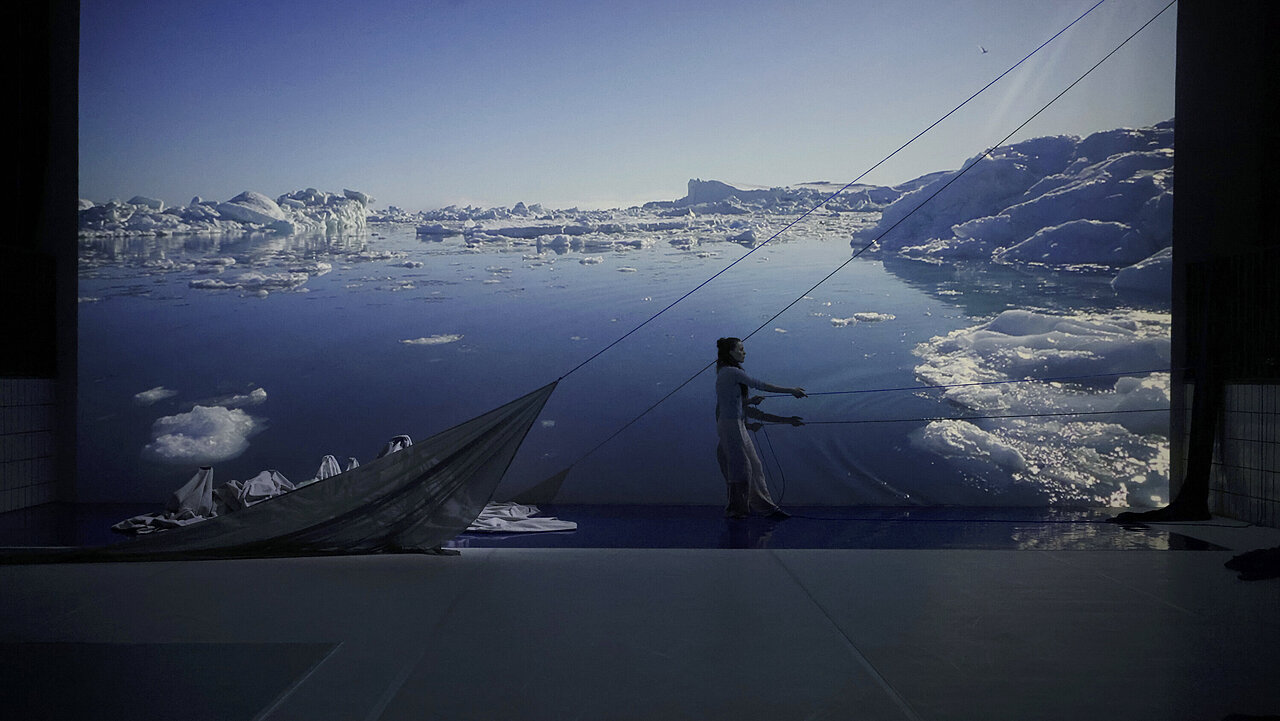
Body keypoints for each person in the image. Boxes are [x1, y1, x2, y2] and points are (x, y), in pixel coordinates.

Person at [714, 337, 806, 519]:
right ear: (730, 352)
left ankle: (765, 507)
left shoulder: (727, 372)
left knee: (754, 465)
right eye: (740, 349)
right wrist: (791, 391)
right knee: (741, 468)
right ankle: (736, 510)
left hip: (736, 423)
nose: (744, 352)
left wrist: (748, 401)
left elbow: (730, 401)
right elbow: (760, 385)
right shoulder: (731, 372)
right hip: (730, 425)